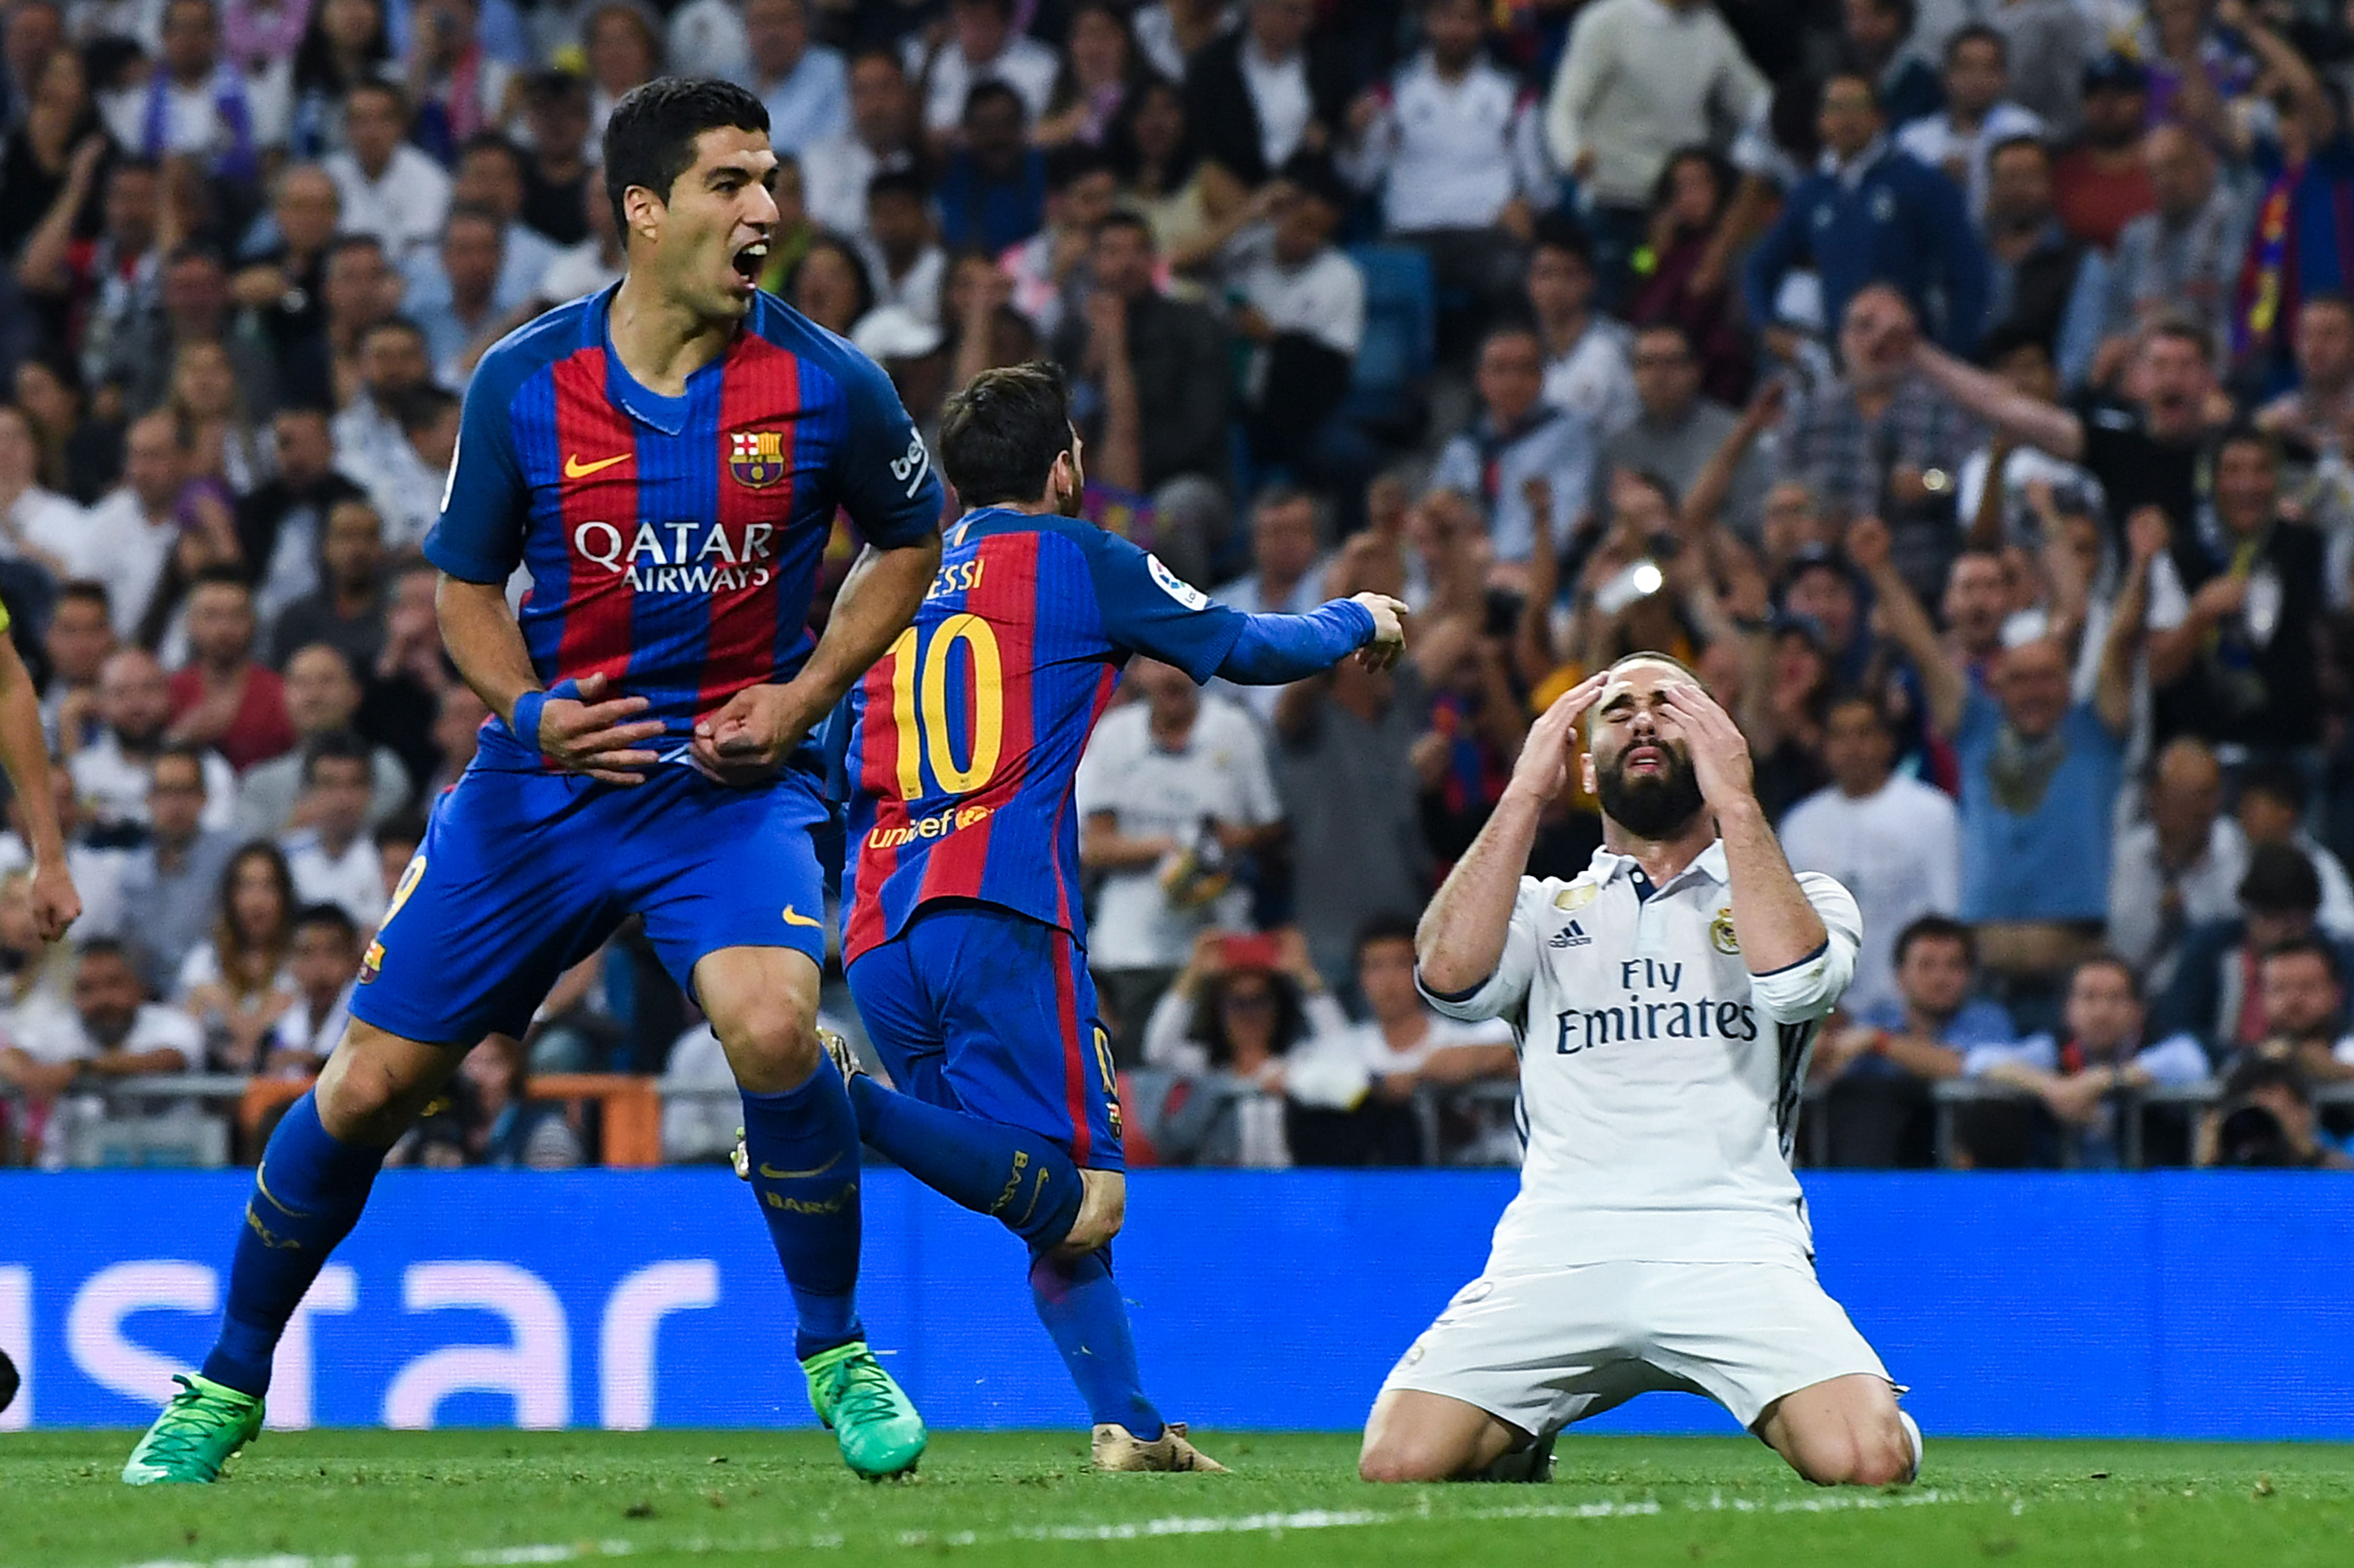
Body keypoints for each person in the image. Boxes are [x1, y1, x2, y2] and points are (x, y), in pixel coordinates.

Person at [123, 78, 945, 1487]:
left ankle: (834, 1345)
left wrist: (807, 696)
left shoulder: (828, 381)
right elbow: (462, 590)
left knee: (769, 1022)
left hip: (726, 782)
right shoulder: (525, 377)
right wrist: (531, 708)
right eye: (730, 184)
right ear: (644, 209)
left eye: (769, 180)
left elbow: (912, 539)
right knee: (372, 1082)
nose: (764, 211)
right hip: (545, 780)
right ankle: (225, 1376)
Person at [818, 359, 1405, 1472]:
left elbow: (835, 750)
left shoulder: (890, 576)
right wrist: (1354, 616)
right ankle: (839, 1101)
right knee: (1086, 1196)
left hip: (881, 924)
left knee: (1035, 1198)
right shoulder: (1079, 558)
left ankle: (1131, 1424)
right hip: (999, 911)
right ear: (1061, 467)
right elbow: (1241, 645)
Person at [1363, 654, 1918, 1487]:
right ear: (1584, 764)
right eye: (1618, 709)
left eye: (1674, 704)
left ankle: (1877, 1409)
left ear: (1718, 742)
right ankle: (1522, 1438)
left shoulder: (1805, 896)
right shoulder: (1540, 908)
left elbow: (1796, 981)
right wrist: (1522, 792)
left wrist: (1736, 797)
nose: (1647, 719)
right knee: (1400, 1462)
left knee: (1867, 1460)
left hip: (1734, 1245)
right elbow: (1449, 977)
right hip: (1559, 1246)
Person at [1742, 70, 1988, 357]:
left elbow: (1968, 271)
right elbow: (1760, 267)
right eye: (1835, 108)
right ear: (1820, 122)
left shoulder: (1921, 182)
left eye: (1856, 107)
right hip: (1844, 357)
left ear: (1879, 117)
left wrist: (1956, 348)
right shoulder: (1812, 193)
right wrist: (1769, 327)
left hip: (1913, 353)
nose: (1846, 119)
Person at [1776, 694, 1960, 1018]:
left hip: (1914, 1008)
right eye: (1840, 736)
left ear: (1887, 742)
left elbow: (1947, 912)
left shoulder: (1933, 812)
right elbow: (1788, 926)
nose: (1852, 747)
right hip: (1827, 1010)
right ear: (1825, 747)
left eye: (1864, 733)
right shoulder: (1798, 825)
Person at [1965, 953, 2209, 1167]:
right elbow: (1979, 1060)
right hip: (2067, 1196)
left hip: (2146, 1199)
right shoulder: (2054, 1048)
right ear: (2068, 1009)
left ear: (2139, 1010)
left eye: (2115, 998)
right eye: (2089, 997)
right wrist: (2054, 1089)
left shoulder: (2155, 1046)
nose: (2101, 1012)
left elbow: (2190, 1063)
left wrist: (2103, 1080)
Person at [1813, 914, 2014, 1168]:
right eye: (1926, 965)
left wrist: (1880, 1042)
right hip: (1877, 1158)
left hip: (1964, 1166)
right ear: (1900, 976)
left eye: (1954, 966)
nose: (1940, 978)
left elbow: (1969, 1067)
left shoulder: (1988, 1020)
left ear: (1971, 976)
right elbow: (1829, 1066)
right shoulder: (1877, 1017)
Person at [115, 745, 237, 991]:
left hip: (221, 992)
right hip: (152, 1002)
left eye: (186, 792)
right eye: (166, 792)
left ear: (204, 798)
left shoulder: (233, 859)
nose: (176, 805)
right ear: (149, 800)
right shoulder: (131, 873)